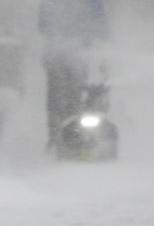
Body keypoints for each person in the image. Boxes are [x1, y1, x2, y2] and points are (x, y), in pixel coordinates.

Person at [38, 0, 111, 144]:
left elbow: (43, 25)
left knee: (68, 95)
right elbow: (100, 22)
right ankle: (62, 135)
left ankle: (66, 135)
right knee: (66, 95)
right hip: (64, 53)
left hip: (72, 53)